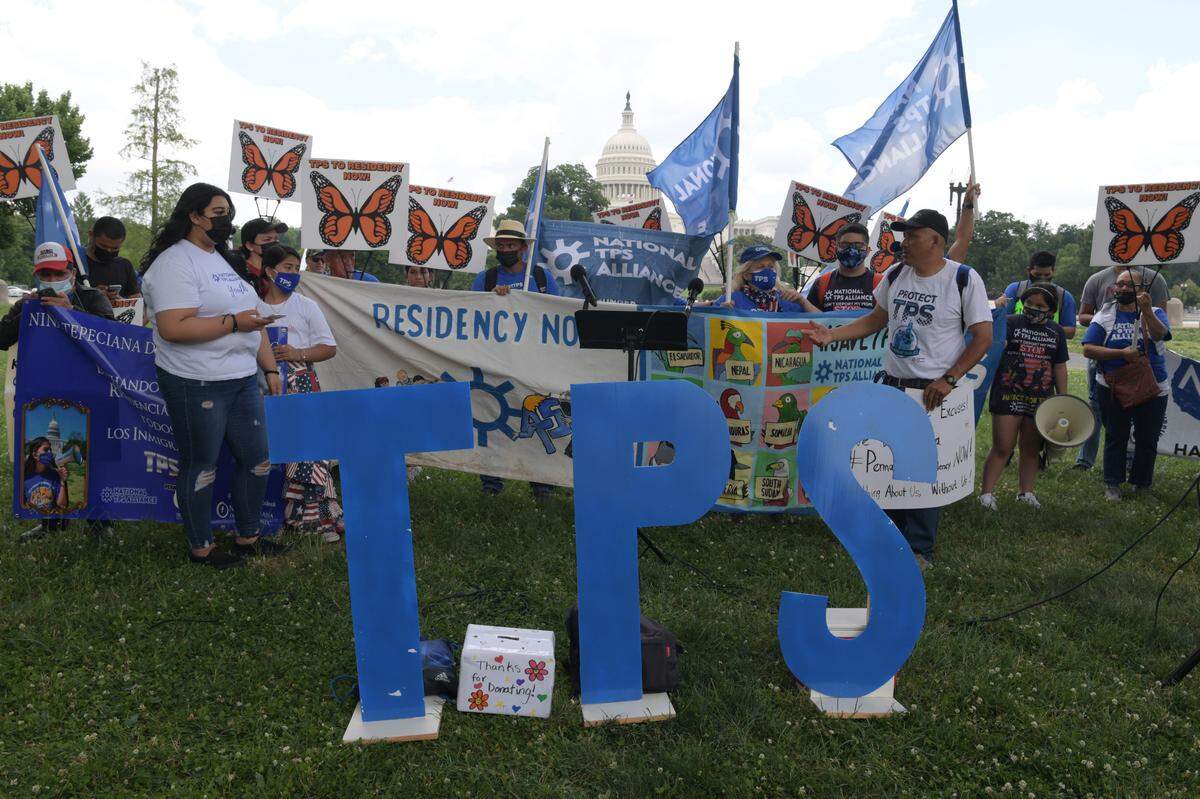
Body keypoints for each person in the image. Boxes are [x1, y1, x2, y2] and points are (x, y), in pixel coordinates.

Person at [807, 209, 992, 565]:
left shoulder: (964, 279)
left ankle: (920, 549)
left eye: (912, 236)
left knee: (923, 469)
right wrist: (831, 335)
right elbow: (877, 319)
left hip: (934, 391)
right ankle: (887, 539)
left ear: (935, 241)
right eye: (904, 236)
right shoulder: (895, 275)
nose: (903, 243)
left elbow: (983, 337)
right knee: (888, 465)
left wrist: (949, 378)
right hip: (892, 385)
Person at [140, 182, 288, 569]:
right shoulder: (174, 263)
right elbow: (173, 327)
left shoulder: (223, 260)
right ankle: (201, 548)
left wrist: (268, 366)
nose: (227, 222)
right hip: (195, 380)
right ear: (194, 216)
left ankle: (247, 537)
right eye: (218, 214)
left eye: (229, 214)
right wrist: (232, 323)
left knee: (257, 459)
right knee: (201, 464)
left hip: (241, 379)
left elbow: (253, 321)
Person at [260, 244, 343, 542]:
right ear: (270, 271)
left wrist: (299, 352)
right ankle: (276, 517)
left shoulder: (306, 306)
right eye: (287, 268)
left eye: (296, 268)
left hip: (303, 381)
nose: (293, 274)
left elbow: (328, 348)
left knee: (309, 451)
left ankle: (319, 518)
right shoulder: (253, 308)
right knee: (271, 450)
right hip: (264, 385)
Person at [472, 219, 557, 498]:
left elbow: (558, 314)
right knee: (492, 420)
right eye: (501, 244)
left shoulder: (542, 279)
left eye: (510, 244)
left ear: (522, 247)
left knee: (536, 418)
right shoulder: (486, 280)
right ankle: (491, 482)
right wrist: (494, 301)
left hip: (536, 363)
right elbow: (468, 315)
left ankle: (541, 482)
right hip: (495, 362)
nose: (505, 248)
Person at [1081, 268, 1171, 501]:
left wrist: (1147, 311)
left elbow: (1161, 335)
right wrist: (1120, 352)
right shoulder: (1105, 314)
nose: (1121, 289)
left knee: (1147, 438)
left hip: (1153, 386)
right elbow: (1089, 348)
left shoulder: (1157, 312)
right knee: (1115, 435)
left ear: (1142, 291)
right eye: (1118, 285)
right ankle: (1113, 484)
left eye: (1127, 285)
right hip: (1113, 386)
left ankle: (1142, 485)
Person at [978, 284, 1069, 511]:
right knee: (1003, 446)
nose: (1033, 309)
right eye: (1029, 304)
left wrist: (1063, 398)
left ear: (1051, 310)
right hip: (1008, 394)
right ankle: (986, 494)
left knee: (1030, 449)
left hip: (1040, 399)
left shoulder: (1056, 332)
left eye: (1040, 306)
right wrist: (996, 309)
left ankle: (1026, 492)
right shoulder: (1009, 323)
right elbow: (988, 338)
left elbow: (1059, 367)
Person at [0, 242, 115, 349]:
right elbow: (2, 340)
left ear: (73, 273)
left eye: (60, 274)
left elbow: (114, 338)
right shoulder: (28, 302)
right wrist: (27, 311)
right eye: (45, 274)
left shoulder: (93, 297)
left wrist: (71, 311)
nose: (52, 280)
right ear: (37, 277)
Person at [801, 223, 883, 312]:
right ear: (836, 249)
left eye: (858, 245)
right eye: (845, 245)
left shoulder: (881, 283)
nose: (851, 251)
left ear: (868, 251)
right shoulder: (821, 283)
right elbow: (810, 319)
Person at [994, 251, 1078, 337]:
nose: (1042, 278)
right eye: (1037, 274)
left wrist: (1043, 327)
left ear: (1053, 271)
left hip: (1048, 345)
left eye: (1047, 275)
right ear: (1029, 270)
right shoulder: (1015, 290)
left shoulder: (1064, 296)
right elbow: (1002, 321)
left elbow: (1070, 332)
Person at [472, 219, 560, 296]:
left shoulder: (542, 277)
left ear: (523, 248)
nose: (505, 250)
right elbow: (472, 310)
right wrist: (491, 297)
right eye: (500, 246)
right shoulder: (484, 278)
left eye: (511, 245)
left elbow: (556, 309)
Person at [714, 245, 801, 312]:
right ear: (746, 275)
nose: (767, 271)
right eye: (761, 267)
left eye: (771, 266)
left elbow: (813, 322)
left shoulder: (785, 298)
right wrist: (720, 314)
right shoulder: (730, 300)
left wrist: (803, 301)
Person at [84, 216, 140, 301]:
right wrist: (93, 295)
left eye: (115, 248)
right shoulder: (76, 261)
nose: (108, 251)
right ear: (91, 235)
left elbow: (136, 300)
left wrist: (119, 300)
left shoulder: (125, 266)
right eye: (103, 246)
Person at [228, 217, 287, 294]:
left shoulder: (278, 270)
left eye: (276, 239)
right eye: (267, 239)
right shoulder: (240, 272)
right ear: (249, 245)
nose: (274, 243)